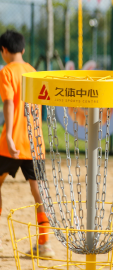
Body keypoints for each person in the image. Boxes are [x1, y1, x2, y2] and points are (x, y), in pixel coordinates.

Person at [0, 30, 54, 257]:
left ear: (3, 51)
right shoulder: (34, 73)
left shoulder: (6, 72)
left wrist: (10, 135)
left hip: (11, 141)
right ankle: (44, 245)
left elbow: (10, 104)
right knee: (39, 191)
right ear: (23, 50)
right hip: (35, 142)